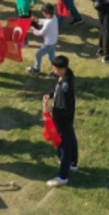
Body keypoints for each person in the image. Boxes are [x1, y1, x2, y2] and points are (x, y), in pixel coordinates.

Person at [44, 55, 78, 187]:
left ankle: (63, 177)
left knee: (63, 147)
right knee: (71, 139)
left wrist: (51, 109)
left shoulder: (66, 86)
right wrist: (51, 94)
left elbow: (65, 109)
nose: (53, 70)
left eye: (55, 68)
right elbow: (58, 89)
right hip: (67, 121)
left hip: (63, 120)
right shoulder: (67, 75)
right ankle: (73, 163)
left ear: (63, 69)